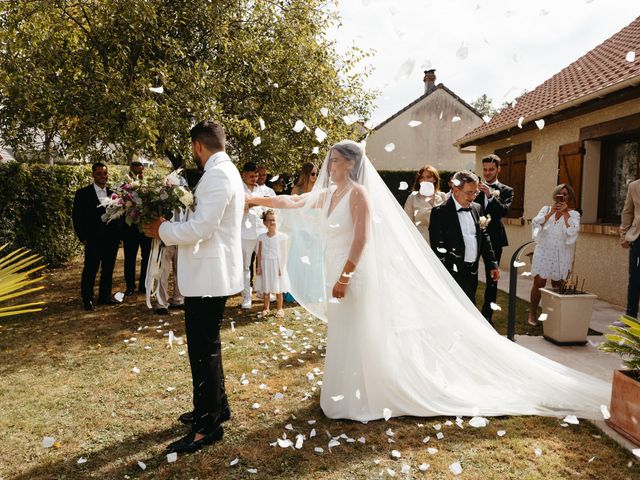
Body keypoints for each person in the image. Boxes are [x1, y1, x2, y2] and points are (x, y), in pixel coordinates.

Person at [247, 140, 608, 423]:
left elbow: (361, 239)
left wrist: (346, 275)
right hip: (337, 271)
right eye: (332, 162)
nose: (332, 167)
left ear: (352, 164)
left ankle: (369, 393)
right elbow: (295, 203)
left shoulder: (358, 194)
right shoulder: (331, 194)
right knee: (344, 331)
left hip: (354, 274)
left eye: (338, 161)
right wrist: (254, 199)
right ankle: (345, 391)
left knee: (361, 330)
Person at [143, 120, 244, 453]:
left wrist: (163, 230)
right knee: (208, 348)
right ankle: (218, 407)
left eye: (192, 149)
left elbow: (202, 228)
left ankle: (207, 426)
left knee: (203, 353)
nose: (192, 154)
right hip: (211, 275)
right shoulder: (227, 171)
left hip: (208, 278)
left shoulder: (217, 175)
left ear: (198, 146)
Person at [429, 170, 500, 306]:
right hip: (452, 272)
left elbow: (484, 238)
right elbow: (438, 247)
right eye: (469, 192)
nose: (473, 197)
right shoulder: (440, 212)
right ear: (455, 190)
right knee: (464, 307)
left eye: (475, 192)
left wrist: (492, 263)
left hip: (472, 270)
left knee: (466, 307)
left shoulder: (477, 208)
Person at [528, 184, 580, 326]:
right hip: (544, 250)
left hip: (561, 253)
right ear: (555, 195)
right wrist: (551, 212)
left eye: (565, 194)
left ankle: (553, 315)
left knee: (557, 284)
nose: (562, 196)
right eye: (560, 193)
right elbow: (536, 223)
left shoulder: (574, 214)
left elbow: (573, 231)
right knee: (539, 282)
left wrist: (565, 213)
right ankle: (532, 313)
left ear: (569, 197)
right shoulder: (545, 209)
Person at [72, 162, 121, 311]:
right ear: (93, 175)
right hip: (92, 239)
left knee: (108, 269)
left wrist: (117, 237)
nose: (103, 177)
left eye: (105, 174)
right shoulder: (82, 193)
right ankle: (87, 299)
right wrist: (83, 237)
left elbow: (118, 217)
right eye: (99, 173)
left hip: (110, 240)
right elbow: (77, 217)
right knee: (90, 269)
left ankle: (104, 296)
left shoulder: (114, 194)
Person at [475, 154, 514, 323]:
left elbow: (504, 211)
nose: (487, 173)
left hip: (495, 238)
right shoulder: (474, 187)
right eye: (485, 169)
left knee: (492, 278)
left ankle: (487, 316)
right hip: (474, 236)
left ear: (499, 169)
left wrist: (491, 196)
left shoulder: (506, 190)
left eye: (491, 169)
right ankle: (470, 310)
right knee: (469, 274)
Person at [240, 162, 271, 308]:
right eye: (251, 176)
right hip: (245, 232)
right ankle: (246, 297)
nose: (254, 179)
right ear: (244, 174)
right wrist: (255, 202)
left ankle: (263, 291)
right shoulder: (239, 188)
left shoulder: (261, 190)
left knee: (264, 264)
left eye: (256, 176)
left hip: (260, 231)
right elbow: (240, 208)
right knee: (246, 267)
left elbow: (267, 209)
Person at [122, 161, 151, 296]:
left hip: (145, 229)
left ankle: (143, 285)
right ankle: (130, 286)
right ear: (130, 173)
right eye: (135, 172)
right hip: (130, 230)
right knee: (129, 258)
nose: (138, 175)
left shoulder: (148, 188)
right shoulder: (123, 189)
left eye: (140, 172)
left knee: (147, 257)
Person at [255, 210, 290, 318]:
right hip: (266, 264)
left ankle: (279, 308)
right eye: (269, 220)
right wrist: (259, 266)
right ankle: (266, 307)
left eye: (274, 220)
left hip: (277, 264)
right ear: (264, 223)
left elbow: (284, 254)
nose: (272, 222)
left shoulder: (282, 236)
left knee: (278, 287)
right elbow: (259, 254)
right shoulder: (261, 237)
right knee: (266, 286)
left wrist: (282, 267)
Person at [403, 164, 447, 243]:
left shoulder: (442, 196)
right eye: (422, 177)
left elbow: (448, 221)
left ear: (434, 179)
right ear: (419, 180)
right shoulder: (412, 198)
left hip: (441, 241)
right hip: (420, 240)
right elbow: (407, 222)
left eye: (429, 177)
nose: (425, 180)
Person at [621, 178, 640, 320]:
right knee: (634, 278)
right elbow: (627, 212)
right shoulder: (634, 186)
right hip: (638, 237)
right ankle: (630, 317)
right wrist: (624, 234)